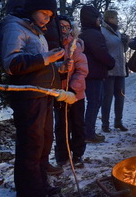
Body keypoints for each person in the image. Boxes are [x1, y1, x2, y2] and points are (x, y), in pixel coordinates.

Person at [0, 0, 75, 196]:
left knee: (43, 142)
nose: (47, 20)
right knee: (31, 146)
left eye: (51, 16)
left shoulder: (36, 31)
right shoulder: (14, 27)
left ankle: (41, 185)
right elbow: (12, 64)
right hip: (27, 97)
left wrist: (60, 66)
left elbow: (39, 65)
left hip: (43, 95)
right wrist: (47, 59)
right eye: (45, 14)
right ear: (32, 8)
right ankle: (29, 190)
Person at [54, 15, 88, 168]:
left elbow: (82, 71)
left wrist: (72, 90)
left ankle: (78, 154)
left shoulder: (76, 46)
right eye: (61, 26)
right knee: (61, 126)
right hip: (58, 95)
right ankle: (62, 155)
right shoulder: (51, 45)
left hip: (76, 95)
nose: (64, 29)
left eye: (67, 27)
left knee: (77, 124)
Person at [80, 5, 115, 143]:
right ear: (93, 19)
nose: (100, 20)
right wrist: (111, 62)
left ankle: (88, 131)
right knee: (94, 103)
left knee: (93, 102)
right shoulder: (93, 34)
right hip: (94, 74)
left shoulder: (86, 33)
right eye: (98, 18)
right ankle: (89, 133)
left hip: (91, 73)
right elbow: (100, 52)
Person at [101, 10, 128, 132]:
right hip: (109, 71)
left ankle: (118, 122)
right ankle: (105, 124)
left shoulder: (117, 32)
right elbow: (101, 50)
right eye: (115, 17)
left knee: (120, 97)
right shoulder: (102, 32)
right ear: (109, 18)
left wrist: (125, 42)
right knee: (107, 98)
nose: (117, 19)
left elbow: (122, 50)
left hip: (120, 70)